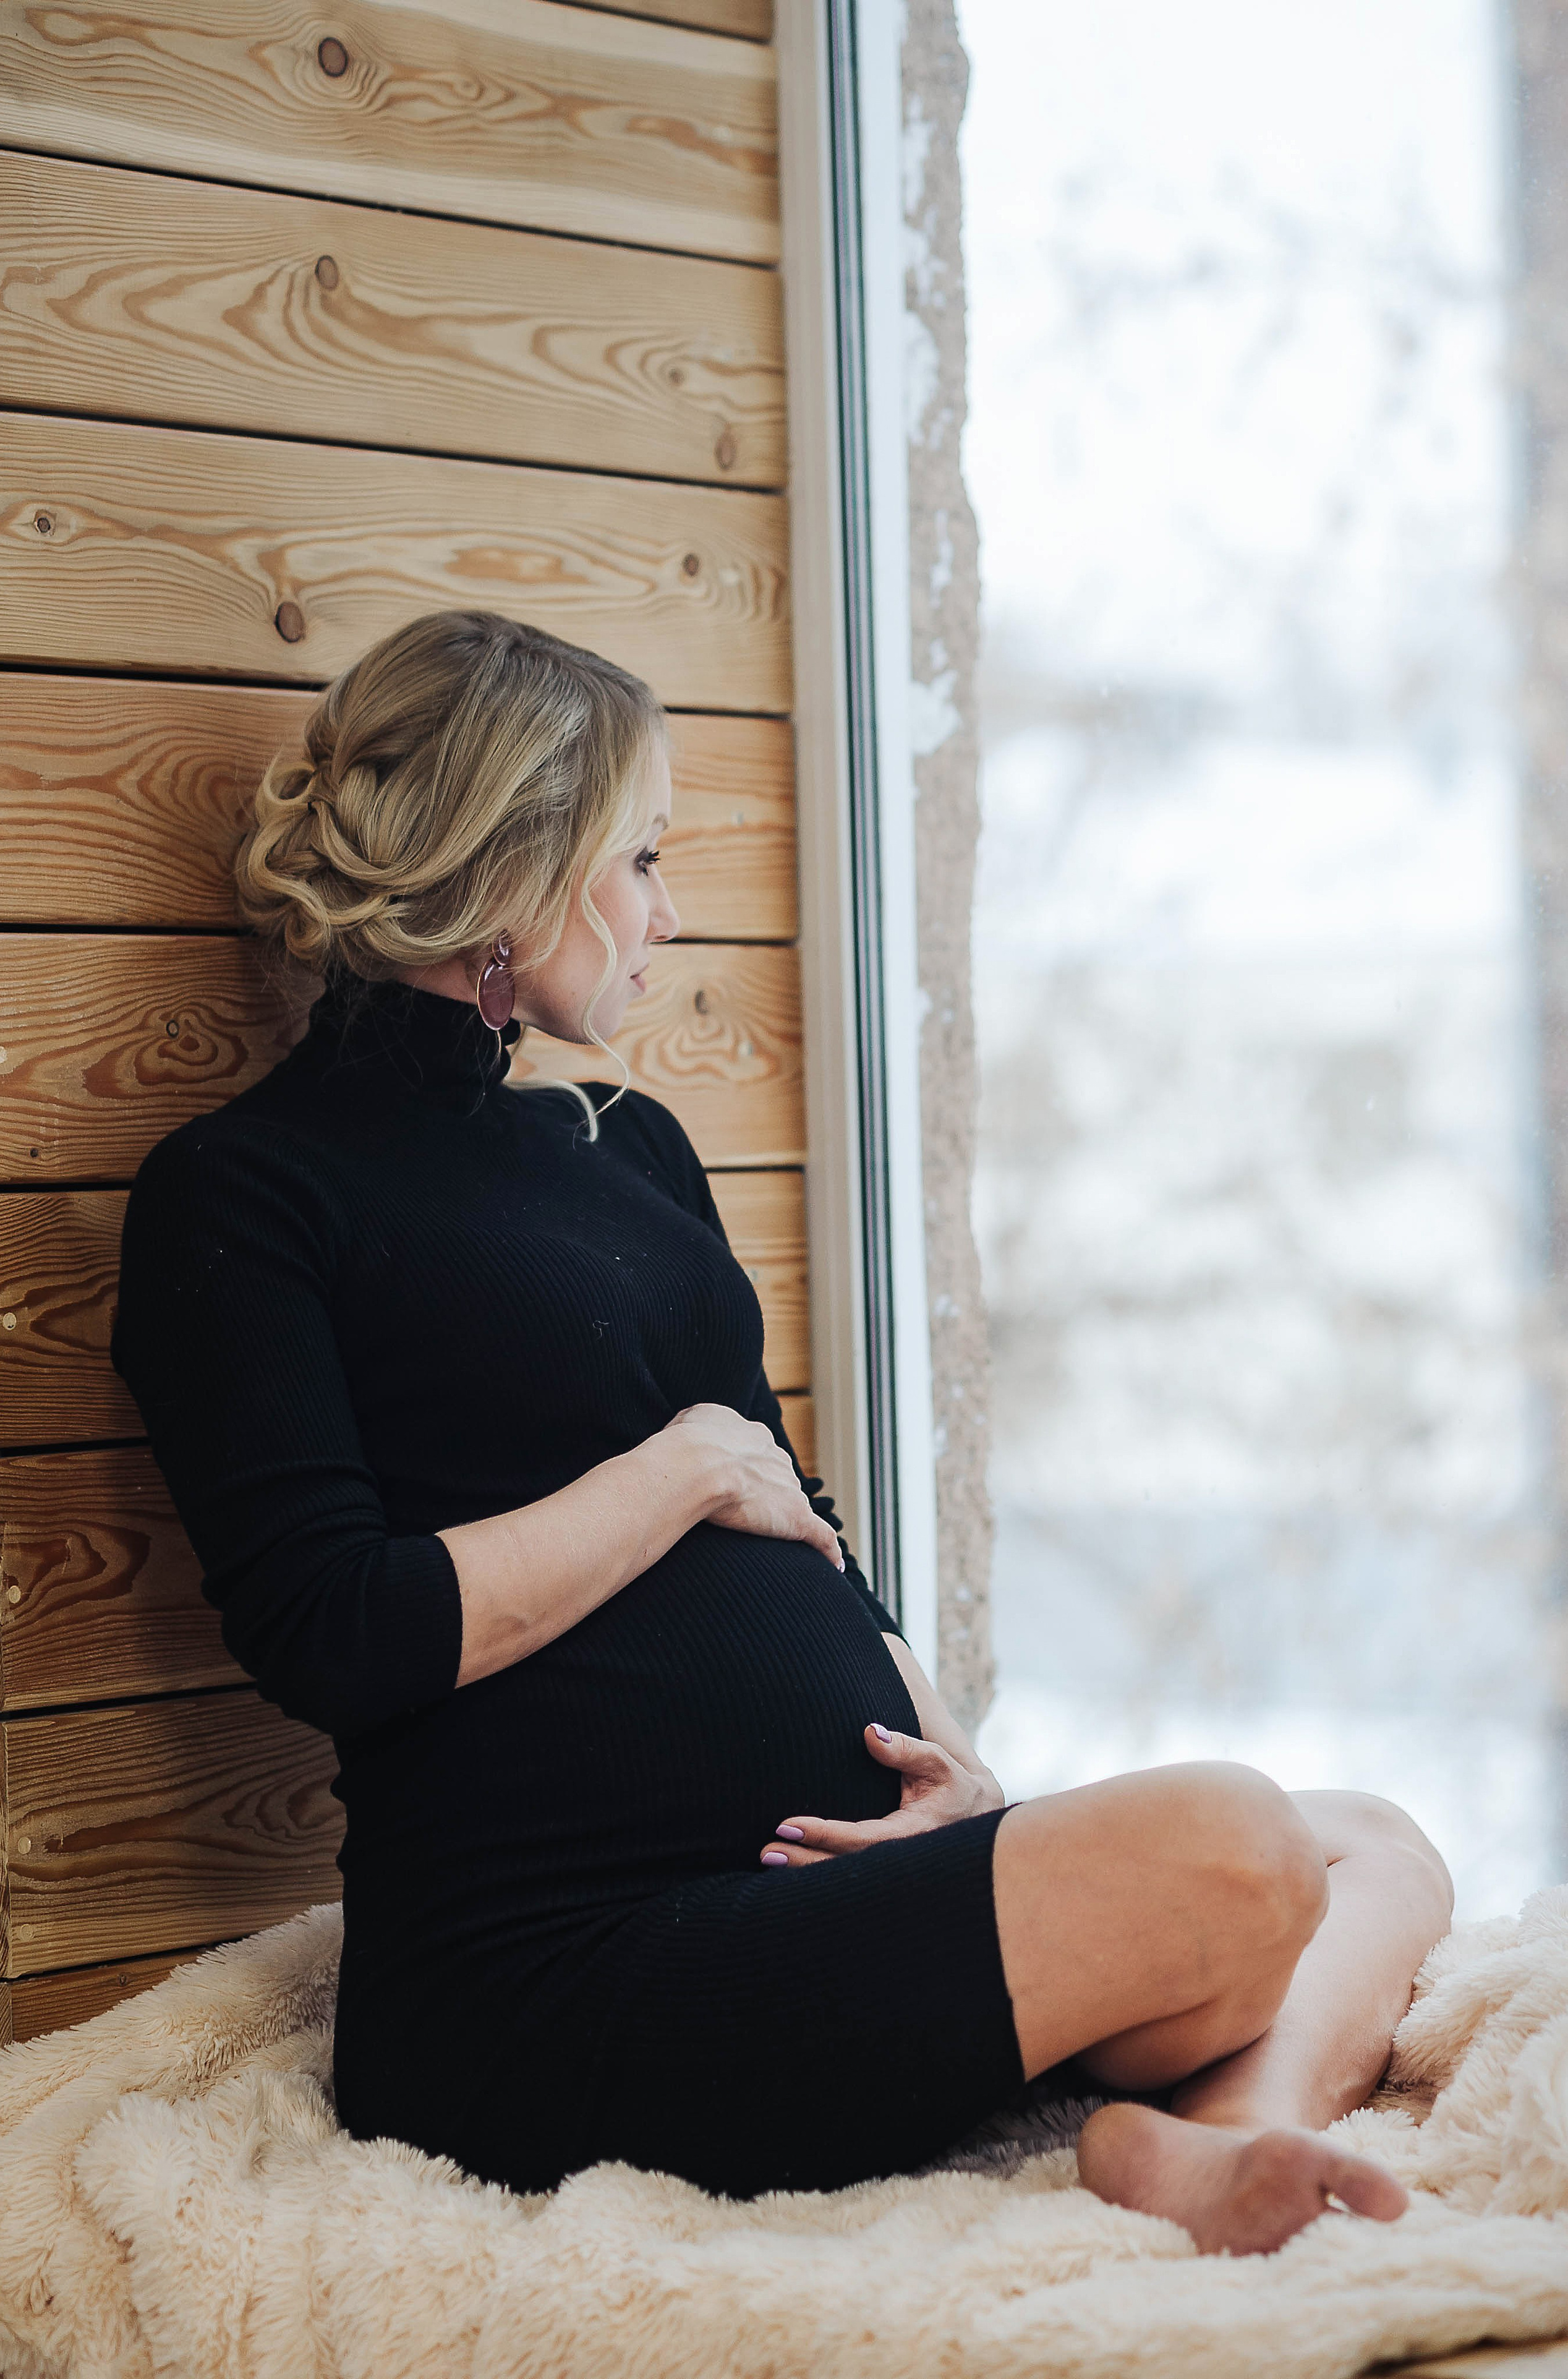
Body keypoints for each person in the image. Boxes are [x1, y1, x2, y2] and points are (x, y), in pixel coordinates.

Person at [111, 609, 1454, 2255]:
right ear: (519, 866)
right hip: (558, 1971)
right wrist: (671, 1473)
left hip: (819, 1905)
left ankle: (1222, 2147)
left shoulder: (627, 1149)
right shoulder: (242, 1197)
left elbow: (796, 1520)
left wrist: (964, 1777)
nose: (666, 911)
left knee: (1376, 1846)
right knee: (1236, 1843)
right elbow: (335, 1628)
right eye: (640, 859)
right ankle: (1196, 2108)